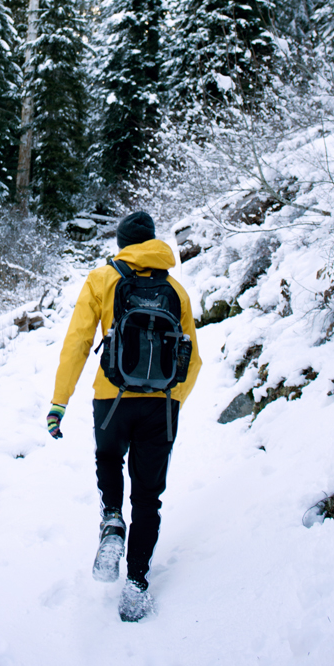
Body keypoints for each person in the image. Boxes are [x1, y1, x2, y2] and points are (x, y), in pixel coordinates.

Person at [47, 211, 202, 621]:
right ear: (152, 242)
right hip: (160, 403)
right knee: (149, 497)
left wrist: (59, 402)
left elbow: (78, 342)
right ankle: (136, 583)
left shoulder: (102, 279)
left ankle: (112, 520)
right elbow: (194, 359)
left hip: (111, 398)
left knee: (108, 458)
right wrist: (172, 402)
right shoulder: (176, 289)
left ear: (121, 244)